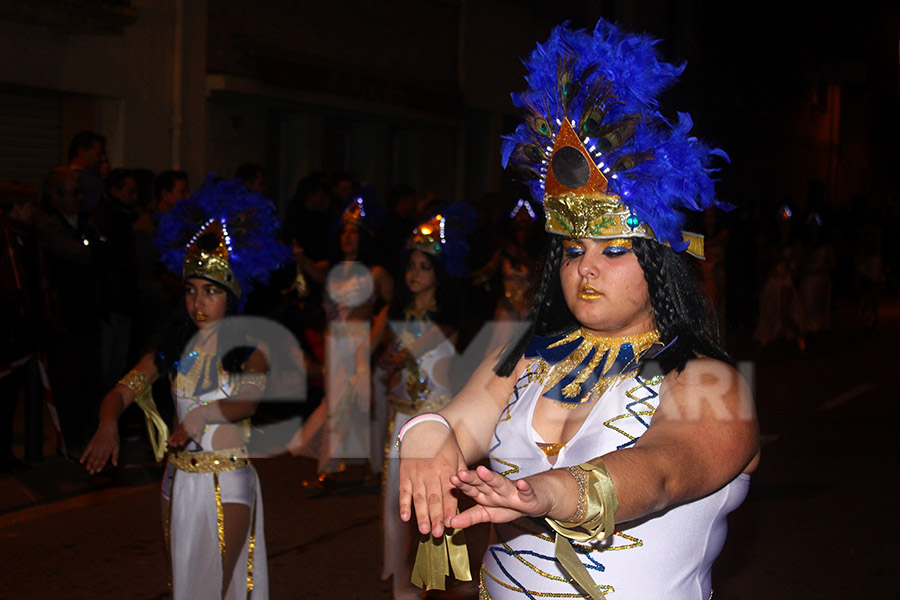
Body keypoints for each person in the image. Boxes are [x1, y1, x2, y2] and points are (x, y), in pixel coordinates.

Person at [398, 21, 759, 600]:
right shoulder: (523, 358)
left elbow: (663, 470)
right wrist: (423, 440)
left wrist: (550, 493)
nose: (585, 268)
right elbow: (453, 425)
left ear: (659, 262)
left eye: (614, 251)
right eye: (572, 251)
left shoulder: (708, 382)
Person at [80, 176, 289, 600]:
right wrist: (107, 423)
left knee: (214, 589)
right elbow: (122, 390)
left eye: (212, 292)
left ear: (232, 297)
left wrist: (203, 415)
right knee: (186, 589)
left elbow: (246, 402)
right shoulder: (172, 348)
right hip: (176, 481)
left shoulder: (254, 347)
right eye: (192, 291)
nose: (198, 303)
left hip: (228, 480)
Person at [378, 207, 472, 600]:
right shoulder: (395, 316)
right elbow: (390, 364)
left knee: (434, 509)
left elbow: (429, 352)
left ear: (439, 274)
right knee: (396, 507)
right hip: (399, 423)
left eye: (424, 267)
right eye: (411, 266)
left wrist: (401, 358)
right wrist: (388, 366)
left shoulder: (445, 323)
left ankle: (451, 579)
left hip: (432, 425)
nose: (414, 273)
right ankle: (404, 586)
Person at [289, 196, 394, 484]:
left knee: (366, 405)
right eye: (345, 231)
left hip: (363, 346)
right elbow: (311, 272)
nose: (348, 237)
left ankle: (373, 468)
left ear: (365, 237)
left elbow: (396, 307)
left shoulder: (377, 273)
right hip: (335, 346)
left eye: (355, 231)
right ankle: (334, 467)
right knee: (338, 405)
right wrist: (300, 258)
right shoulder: (329, 269)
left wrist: (379, 334)